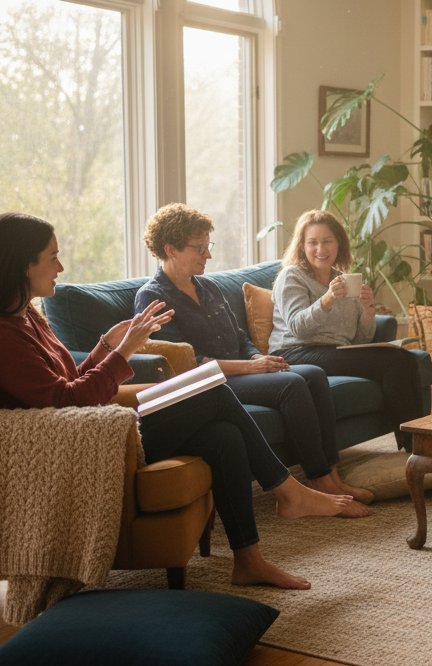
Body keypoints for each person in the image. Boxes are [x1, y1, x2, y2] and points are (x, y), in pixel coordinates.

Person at [0, 212, 353, 591]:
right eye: (53, 257)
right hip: (81, 444)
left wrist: (105, 347)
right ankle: (288, 492)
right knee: (211, 387)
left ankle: (248, 560)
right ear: (22, 264)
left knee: (224, 435)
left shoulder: (26, 317)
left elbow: (68, 383)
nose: (60, 268)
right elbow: (65, 403)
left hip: (93, 425)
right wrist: (122, 352)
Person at [134, 203, 373, 518]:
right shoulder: (152, 298)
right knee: (290, 385)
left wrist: (259, 356)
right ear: (171, 249)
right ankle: (317, 483)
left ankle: (332, 479)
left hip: (243, 370)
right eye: (200, 248)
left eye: (209, 246)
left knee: (313, 374)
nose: (207, 255)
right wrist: (250, 366)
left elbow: (239, 336)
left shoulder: (208, 287)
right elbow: (184, 364)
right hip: (210, 383)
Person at [269, 209, 428, 452]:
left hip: (334, 351)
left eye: (327, 241)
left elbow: (358, 339)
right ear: (302, 246)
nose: (320, 249)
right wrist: (327, 299)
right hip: (294, 352)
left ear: (339, 244)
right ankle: (415, 448)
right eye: (313, 242)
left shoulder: (343, 280)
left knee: (407, 359)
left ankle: (422, 440)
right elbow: (298, 328)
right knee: (394, 361)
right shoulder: (292, 276)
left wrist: (367, 313)